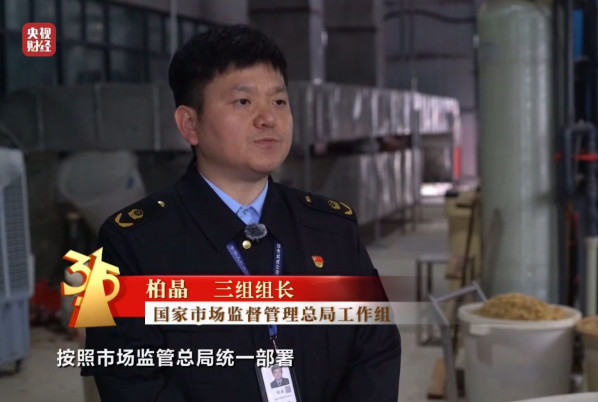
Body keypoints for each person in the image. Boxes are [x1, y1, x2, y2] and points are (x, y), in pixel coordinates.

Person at [81, 24, 401, 402]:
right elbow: (128, 378)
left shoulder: (332, 229)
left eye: (279, 101)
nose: (268, 118)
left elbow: (377, 352)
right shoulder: (129, 244)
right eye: (243, 102)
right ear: (190, 124)